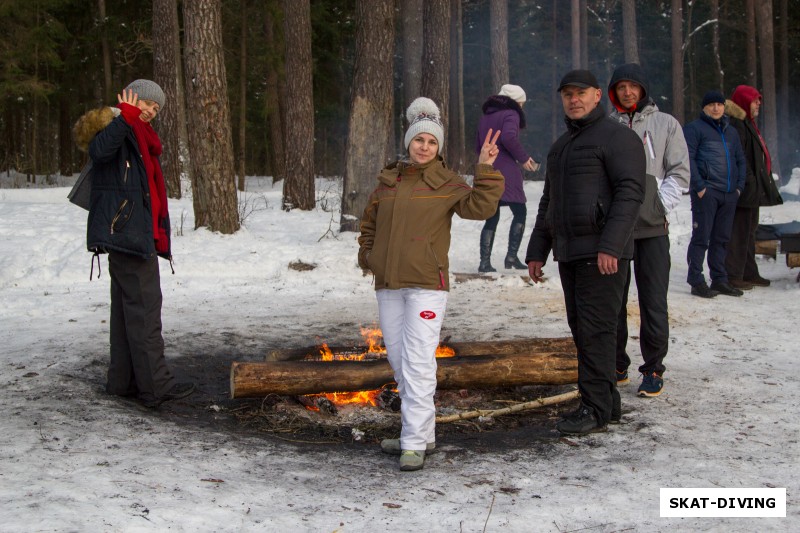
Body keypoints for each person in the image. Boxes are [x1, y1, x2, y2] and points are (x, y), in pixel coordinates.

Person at [358, 97, 503, 470]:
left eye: (432, 142)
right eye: (419, 140)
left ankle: (412, 442)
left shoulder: (447, 182)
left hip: (426, 285)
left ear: (439, 147)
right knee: (398, 360)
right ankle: (422, 434)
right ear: (408, 141)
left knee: (419, 362)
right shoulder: (388, 182)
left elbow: (480, 208)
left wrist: (485, 169)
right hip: (389, 284)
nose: (424, 147)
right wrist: (368, 256)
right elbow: (369, 226)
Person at [525, 70, 645, 435]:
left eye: (581, 93)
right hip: (570, 252)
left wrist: (611, 245)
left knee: (597, 329)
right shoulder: (561, 147)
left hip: (603, 254)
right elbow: (549, 202)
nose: (573, 100)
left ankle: (593, 407)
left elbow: (630, 192)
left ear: (597, 96)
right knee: (583, 328)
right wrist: (537, 250)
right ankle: (607, 401)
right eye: (567, 95)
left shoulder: (618, 137)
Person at [73, 79, 195, 409]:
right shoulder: (118, 124)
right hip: (127, 233)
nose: (151, 113)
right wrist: (126, 116)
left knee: (127, 313)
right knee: (144, 311)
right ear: (133, 99)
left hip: (132, 233)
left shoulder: (137, 132)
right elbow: (99, 153)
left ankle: (122, 381)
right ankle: (156, 387)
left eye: (156, 109)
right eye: (148, 105)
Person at [607, 63, 690, 398]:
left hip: (653, 229)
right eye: (621, 87)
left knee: (653, 300)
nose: (628, 92)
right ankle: (616, 363)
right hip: (616, 229)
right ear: (614, 92)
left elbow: (680, 171)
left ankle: (654, 367)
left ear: (643, 89)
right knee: (612, 300)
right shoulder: (606, 126)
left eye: (633, 86)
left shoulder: (665, 123)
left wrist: (657, 206)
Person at [683, 91, 747, 298]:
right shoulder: (694, 129)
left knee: (721, 239)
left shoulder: (731, 132)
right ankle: (696, 280)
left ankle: (719, 279)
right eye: (711, 104)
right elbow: (688, 159)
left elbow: (740, 160)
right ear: (704, 108)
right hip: (707, 193)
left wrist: (738, 187)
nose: (716, 108)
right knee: (701, 238)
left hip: (729, 194)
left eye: (719, 104)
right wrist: (700, 187)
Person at [724, 85, 783, 290]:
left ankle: (748, 272)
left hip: (752, 189)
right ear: (743, 101)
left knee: (749, 232)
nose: (759, 103)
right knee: (739, 233)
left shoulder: (747, 123)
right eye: (755, 100)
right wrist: (749, 181)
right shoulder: (736, 124)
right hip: (743, 189)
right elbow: (739, 157)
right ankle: (733, 275)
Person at [475, 84, 539, 272]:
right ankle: (511, 257)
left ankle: (484, 262)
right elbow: (509, 138)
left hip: (487, 167)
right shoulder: (512, 114)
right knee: (520, 211)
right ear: (516, 101)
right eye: (522, 103)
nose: (522, 107)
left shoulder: (486, 116)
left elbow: (478, 144)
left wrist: (484, 163)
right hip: (506, 170)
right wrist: (524, 157)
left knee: (491, 214)